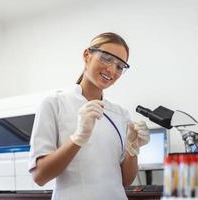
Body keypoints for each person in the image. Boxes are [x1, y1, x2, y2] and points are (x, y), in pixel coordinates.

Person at [28, 32, 150, 200]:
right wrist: (78, 138)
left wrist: (132, 150)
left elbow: (125, 181)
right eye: (106, 58)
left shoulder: (120, 114)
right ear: (87, 55)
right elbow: (40, 176)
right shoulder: (54, 103)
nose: (112, 70)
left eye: (120, 66)